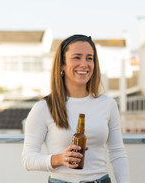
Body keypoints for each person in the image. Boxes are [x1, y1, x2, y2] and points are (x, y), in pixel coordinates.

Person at [22, 34, 130, 183]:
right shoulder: (44, 107)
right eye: (77, 57)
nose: (84, 64)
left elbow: (117, 152)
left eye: (89, 58)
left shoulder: (108, 104)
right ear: (62, 64)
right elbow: (28, 158)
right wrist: (59, 159)